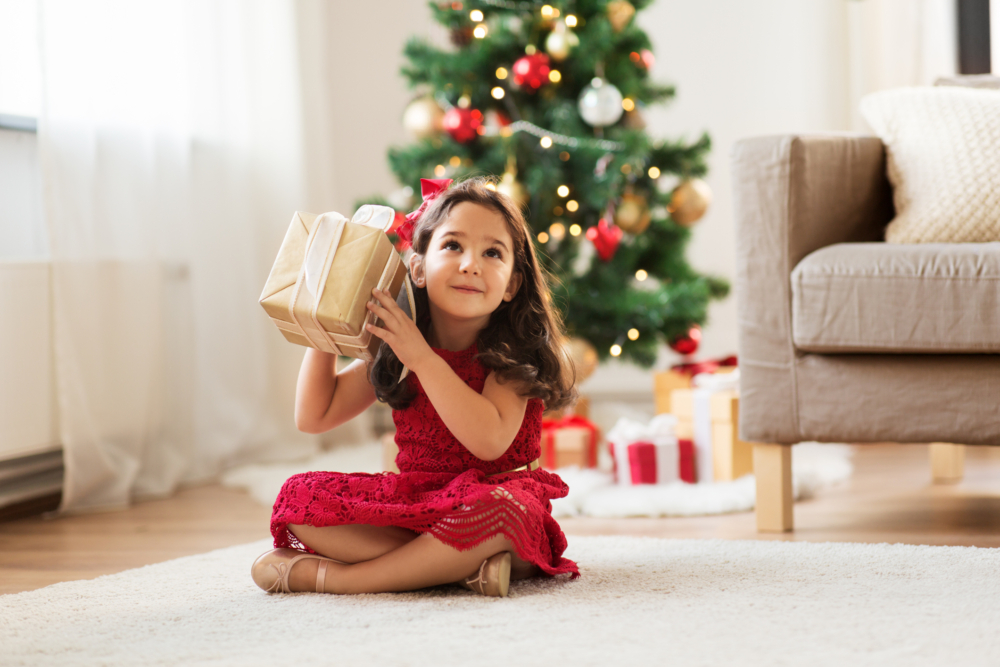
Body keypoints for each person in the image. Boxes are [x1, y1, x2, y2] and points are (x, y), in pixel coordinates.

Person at [251, 177, 580, 598]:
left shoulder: (511, 356)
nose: (470, 264)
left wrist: (423, 358)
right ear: (418, 268)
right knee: (300, 496)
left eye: (492, 253)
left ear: (513, 283)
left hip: (495, 505)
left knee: (502, 513)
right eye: (453, 246)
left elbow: (488, 441)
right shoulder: (397, 346)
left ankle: (345, 580)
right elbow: (314, 416)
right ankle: (455, 569)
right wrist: (325, 320)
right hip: (419, 504)